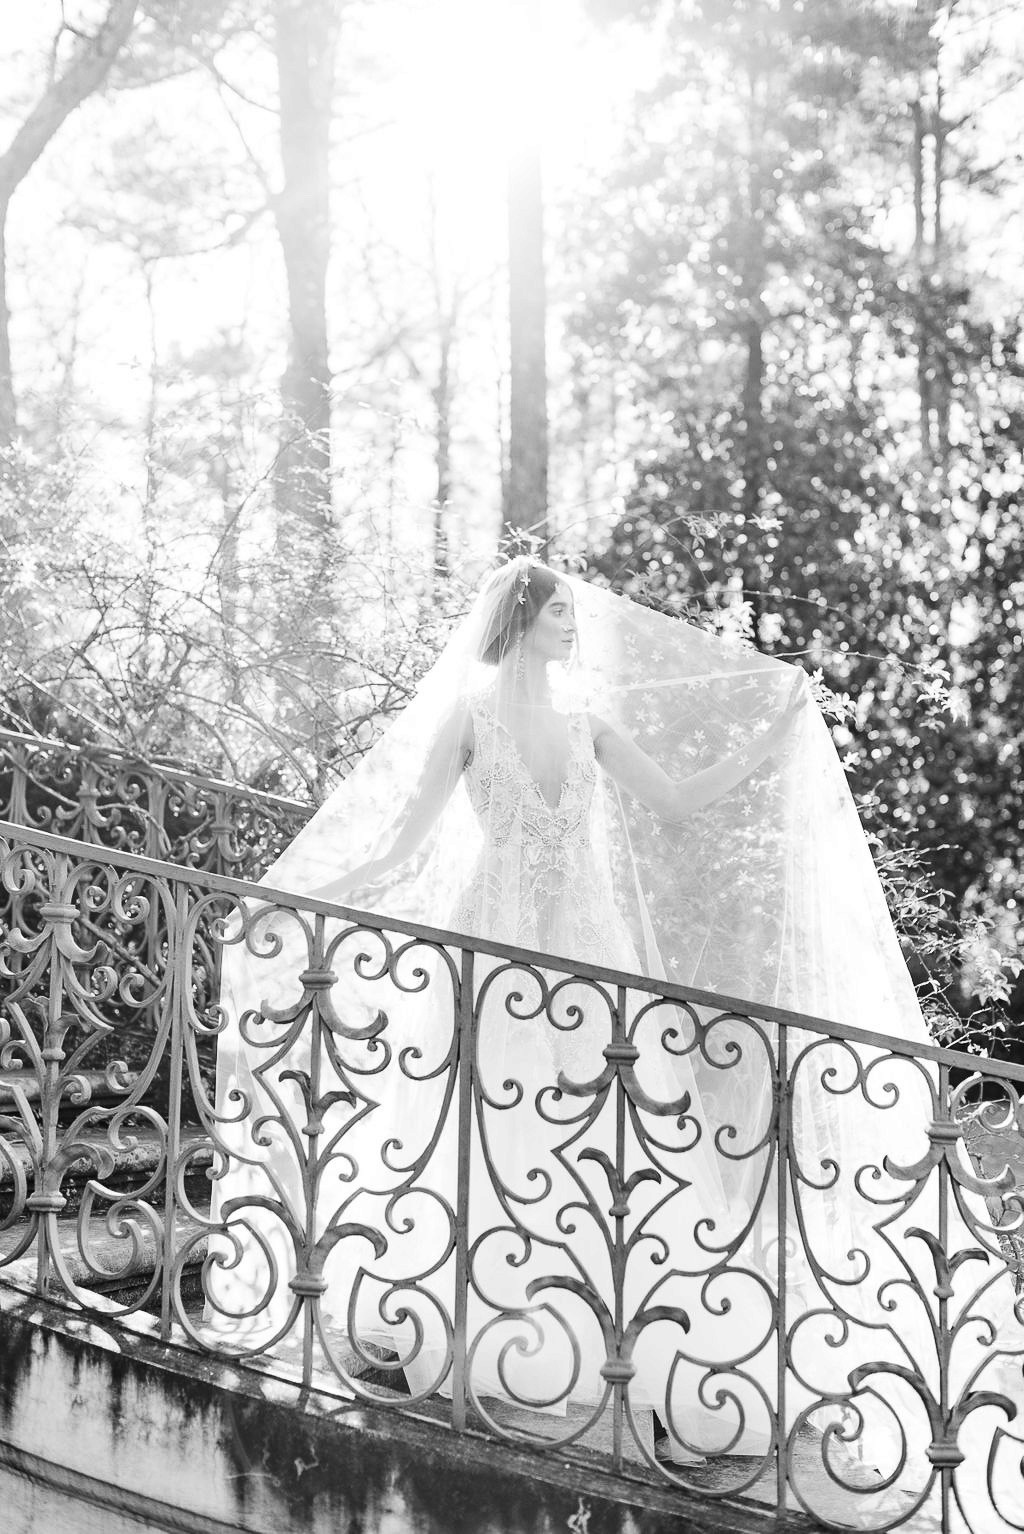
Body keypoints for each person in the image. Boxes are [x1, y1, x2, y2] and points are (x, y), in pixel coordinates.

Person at [207, 559, 1023, 1507]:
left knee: (614, 1134)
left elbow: (677, 801)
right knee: (489, 1128)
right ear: (517, 619)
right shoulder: (470, 722)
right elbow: (402, 844)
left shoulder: (589, 724)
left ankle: (626, 1338)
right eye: (556, 611)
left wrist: (771, 741)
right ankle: (493, 1327)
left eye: (569, 613)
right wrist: (293, 901)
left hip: (590, 958)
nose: (571, 625)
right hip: (495, 952)